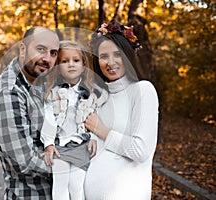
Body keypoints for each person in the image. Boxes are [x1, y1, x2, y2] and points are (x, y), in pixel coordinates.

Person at [84, 22, 159, 199]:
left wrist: (100, 130)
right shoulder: (100, 97)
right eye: (103, 56)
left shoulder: (142, 90)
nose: (110, 62)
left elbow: (140, 150)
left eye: (117, 54)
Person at [0, 26, 60, 199]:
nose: (47, 58)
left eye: (53, 53)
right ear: (23, 49)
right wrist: (73, 165)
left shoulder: (34, 82)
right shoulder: (9, 92)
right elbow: (24, 161)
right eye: (41, 49)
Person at [40, 40, 108, 200]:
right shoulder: (53, 92)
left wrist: (93, 137)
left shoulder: (91, 93)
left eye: (76, 60)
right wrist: (48, 143)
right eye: (65, 61)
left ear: (83, 64)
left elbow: (96, 117)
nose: (71, 65)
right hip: (59, 146)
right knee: (60, 184)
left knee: (76, 186)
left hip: (81, 146)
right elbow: (48, 118)